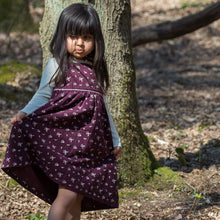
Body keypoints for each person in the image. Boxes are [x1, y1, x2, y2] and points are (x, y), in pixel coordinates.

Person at [1, 3, 122, 220]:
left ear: (96, 40)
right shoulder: (57, 64)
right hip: (65, 145)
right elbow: (43, 95)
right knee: (67, 195)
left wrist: (114, 138)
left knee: (77, 198)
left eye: (87, 37)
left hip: (90, 147)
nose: (80, 43)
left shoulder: (94, 71)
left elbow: (102, 108)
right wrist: (25, 112)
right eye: (73, 36)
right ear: (63, 36)